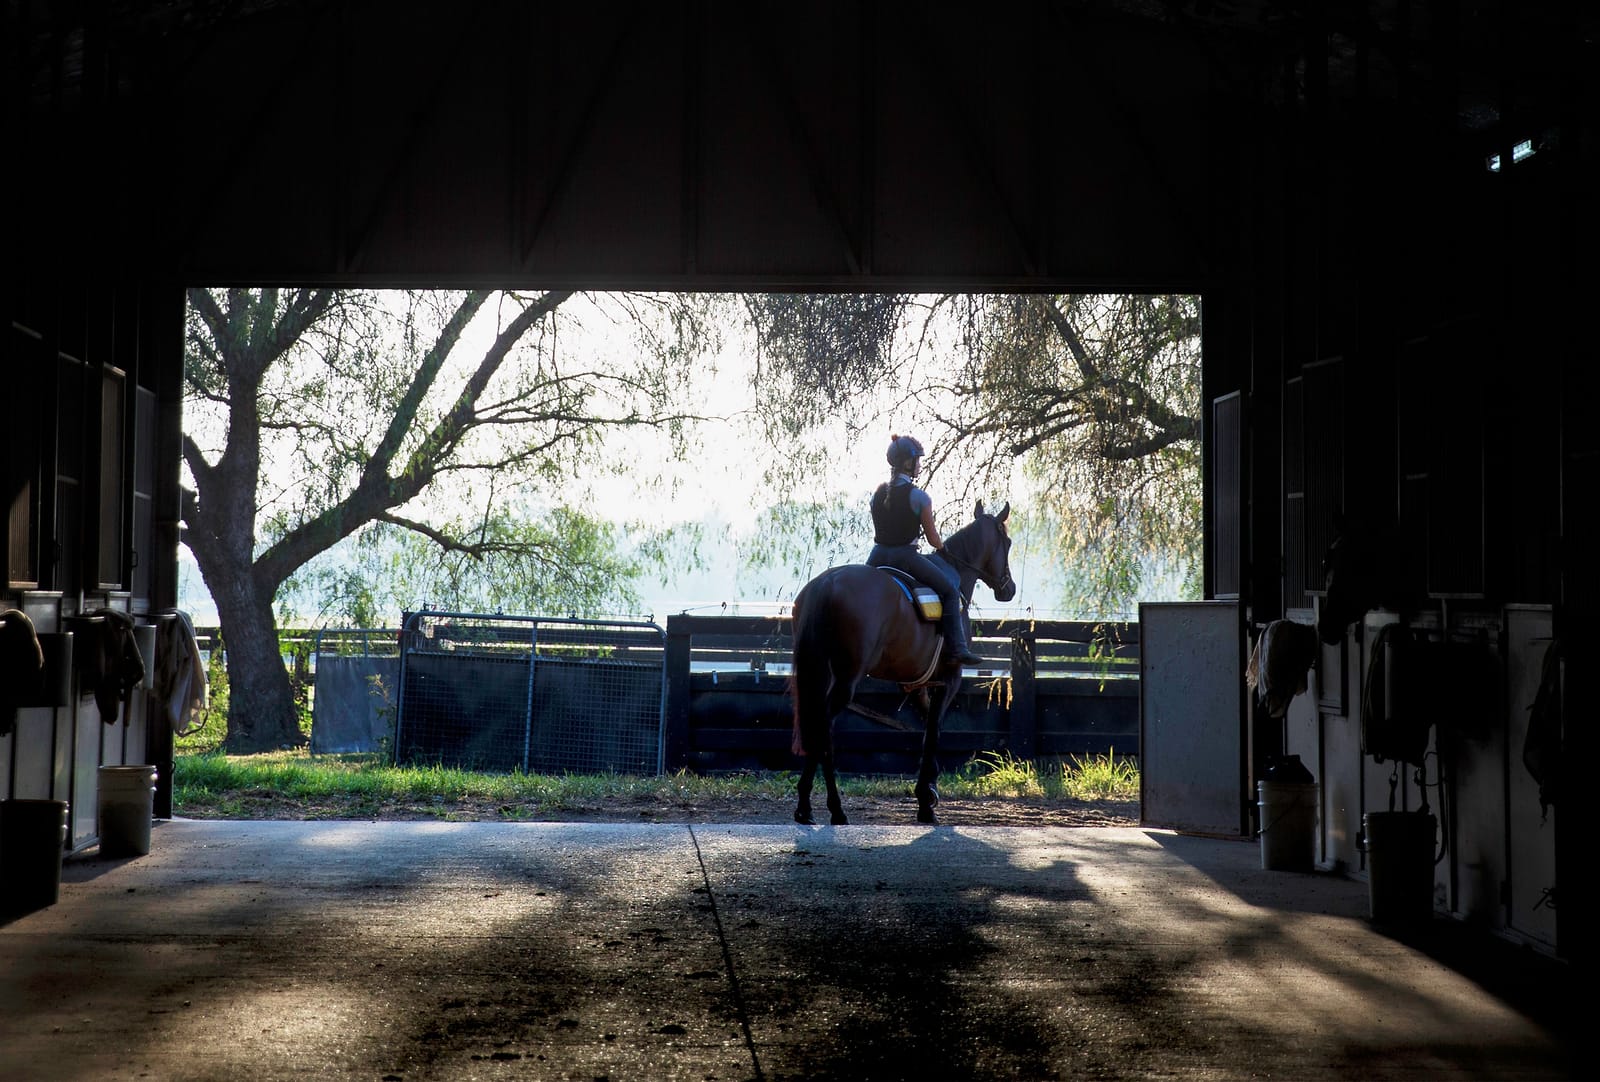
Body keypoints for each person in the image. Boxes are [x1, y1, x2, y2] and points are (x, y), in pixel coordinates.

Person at [865, 434, 983, 666]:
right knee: (950, 591)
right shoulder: (919, 497)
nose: (919, 464)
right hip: (905, 557)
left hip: (877, 556)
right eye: (917, 460)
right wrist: (943, 548)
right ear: (908, 463)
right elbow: (933, 540)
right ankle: (958, 649)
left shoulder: (876, 495)